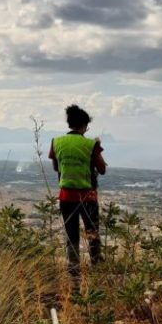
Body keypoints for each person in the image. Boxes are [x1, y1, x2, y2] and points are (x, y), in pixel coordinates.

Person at [48, 104, 107, 284]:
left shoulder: (56, 142)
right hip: (87, 197)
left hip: (66, 197)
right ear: (84, 125)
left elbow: (56, 167)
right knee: (92, 231)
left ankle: (74, 274)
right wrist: (97, 147)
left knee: (71, 234)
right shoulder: (91, 144)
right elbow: (102, 169)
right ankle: (96, 265)